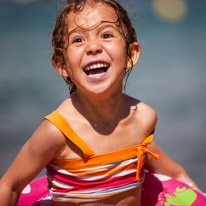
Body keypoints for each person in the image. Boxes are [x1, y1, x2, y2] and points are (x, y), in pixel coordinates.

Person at [0, 0, 204, 205]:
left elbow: (173, 173)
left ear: (130, 55)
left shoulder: (142, 118)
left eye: (106, 35)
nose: (93, 47)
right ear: (61, 65)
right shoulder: (57, 132)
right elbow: (10, 185)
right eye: (78, 40)